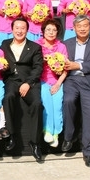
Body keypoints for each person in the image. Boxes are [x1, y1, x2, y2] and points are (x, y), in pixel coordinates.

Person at [62, 15, 90, 168]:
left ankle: (89, 152)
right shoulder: (66, 44)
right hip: (72, 80)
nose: (82, 29)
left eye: (85, 26)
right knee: (68, 101)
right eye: (79, 26)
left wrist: (79, 66)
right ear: (73, 28)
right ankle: (69, 136)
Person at [0, 17, 44, 163]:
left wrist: (28, 82)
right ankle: (11, 135)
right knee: (8, 98)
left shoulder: (35, 47)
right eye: (17, 28)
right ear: (12, 29)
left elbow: (38, 68)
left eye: (22, 28)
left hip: (29, 81)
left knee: (37, 104)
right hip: (12, 80)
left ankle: (35, 142)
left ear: (27, 30)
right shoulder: (4, 44)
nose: (19, 31)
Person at [36, 18, 68, 148]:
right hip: (42, 80)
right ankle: (48, 130)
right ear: (43, 31)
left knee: (57, 105)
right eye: (48, 30)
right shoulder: (36, 45)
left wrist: (58, 84)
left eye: (54, 30)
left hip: (57, 80)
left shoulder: (61, 46)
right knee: (47, 104)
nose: (51, 32)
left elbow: (66, 69)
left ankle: (56, 133)